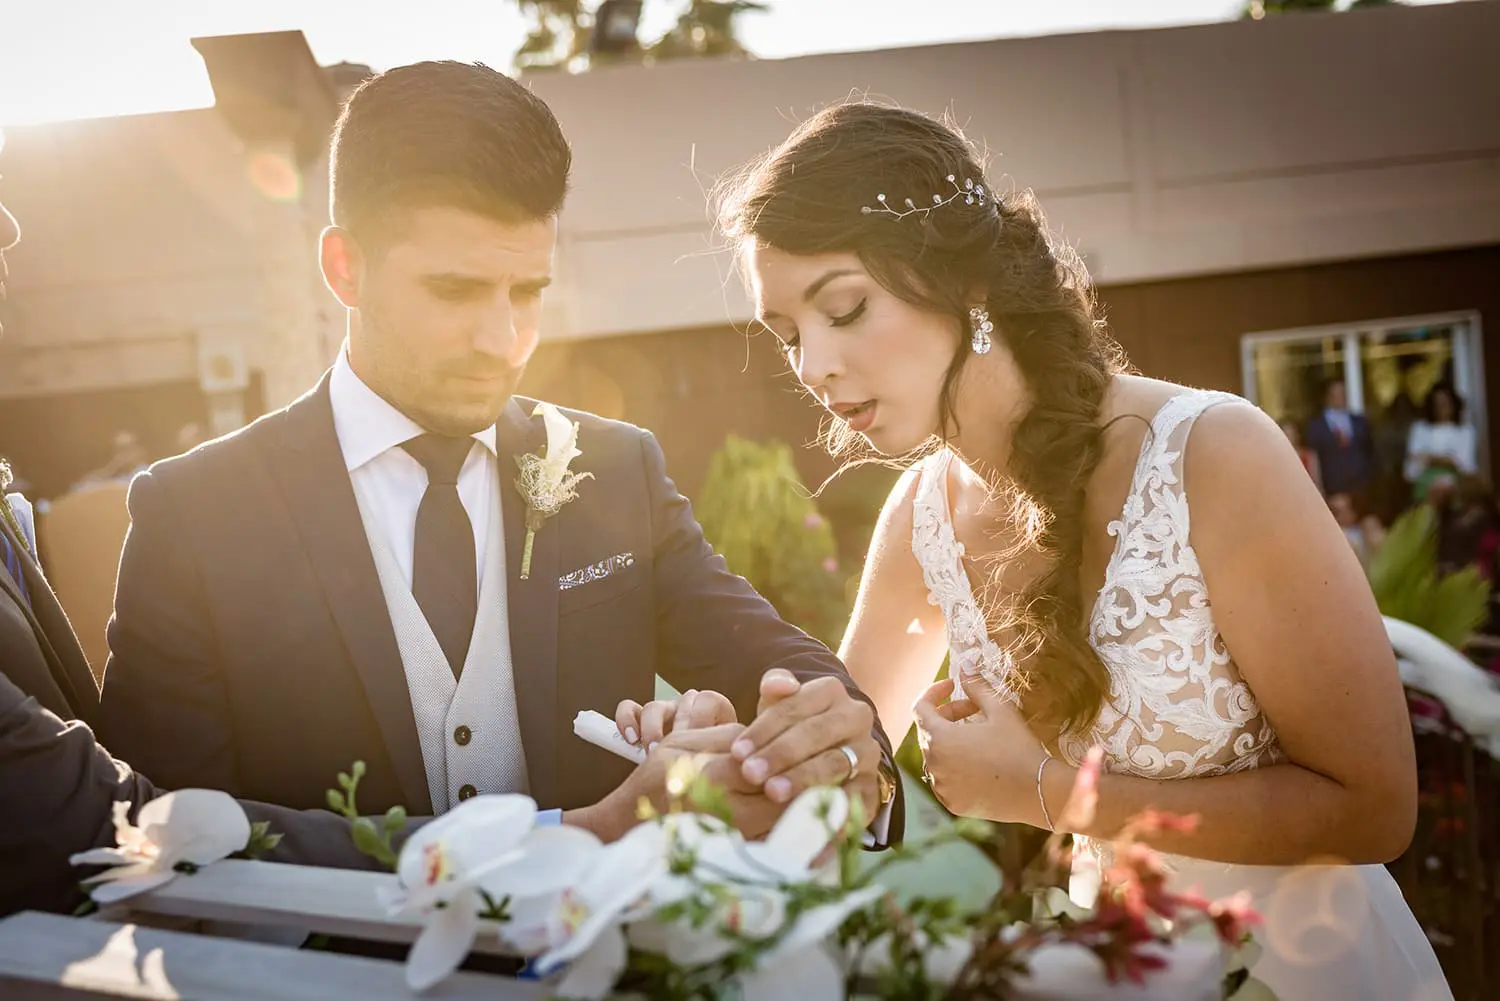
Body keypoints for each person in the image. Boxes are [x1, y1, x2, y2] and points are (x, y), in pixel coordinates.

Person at [711, 101, 1449, 1000]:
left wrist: (1045, 790)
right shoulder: (921, 519)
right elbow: (845, 774)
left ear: (963, 280)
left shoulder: (1214, 454)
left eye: (844, 308)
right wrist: (733, 765)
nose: (812, 365)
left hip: (1312, 969)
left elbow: (1374, 807)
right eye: (788, 336)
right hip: (1122, 971)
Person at [98, 62, 900, 847]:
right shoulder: (193, 517)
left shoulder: (615, 467)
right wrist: (579, 832)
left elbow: (768, 657)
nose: (502, 340)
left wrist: (838, 737)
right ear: (346, 269)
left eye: (527, 291)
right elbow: (158, 827)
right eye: (455, 290)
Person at [1305, 377, 1376, 499]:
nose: (1341, 397)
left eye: (1343, 393)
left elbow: (1369, 450)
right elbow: (1313, 457)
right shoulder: (1316, 426)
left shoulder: (1360, 422)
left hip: (1361, 488)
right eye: (1336, 394)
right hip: (1333, 490)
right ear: (1328, 397)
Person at [1405, 382, 1475, 504]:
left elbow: (1464, 464)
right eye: (1437, 404)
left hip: (1455, 485)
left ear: (1454, 405)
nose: (1441, 408)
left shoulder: (1464, 431)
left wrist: (1430, 458)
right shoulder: (1420, 429)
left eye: (1445, 403)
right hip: (1425, 485)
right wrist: (1446, 458)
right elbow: (1412, 466)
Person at [1278, 417, 1321, 492]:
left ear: (1297, 435)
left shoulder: (1309, 456)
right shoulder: (1276, 460)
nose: (1289, 438)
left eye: (1291, 434)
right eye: (1286, 434)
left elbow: (1317, 483)